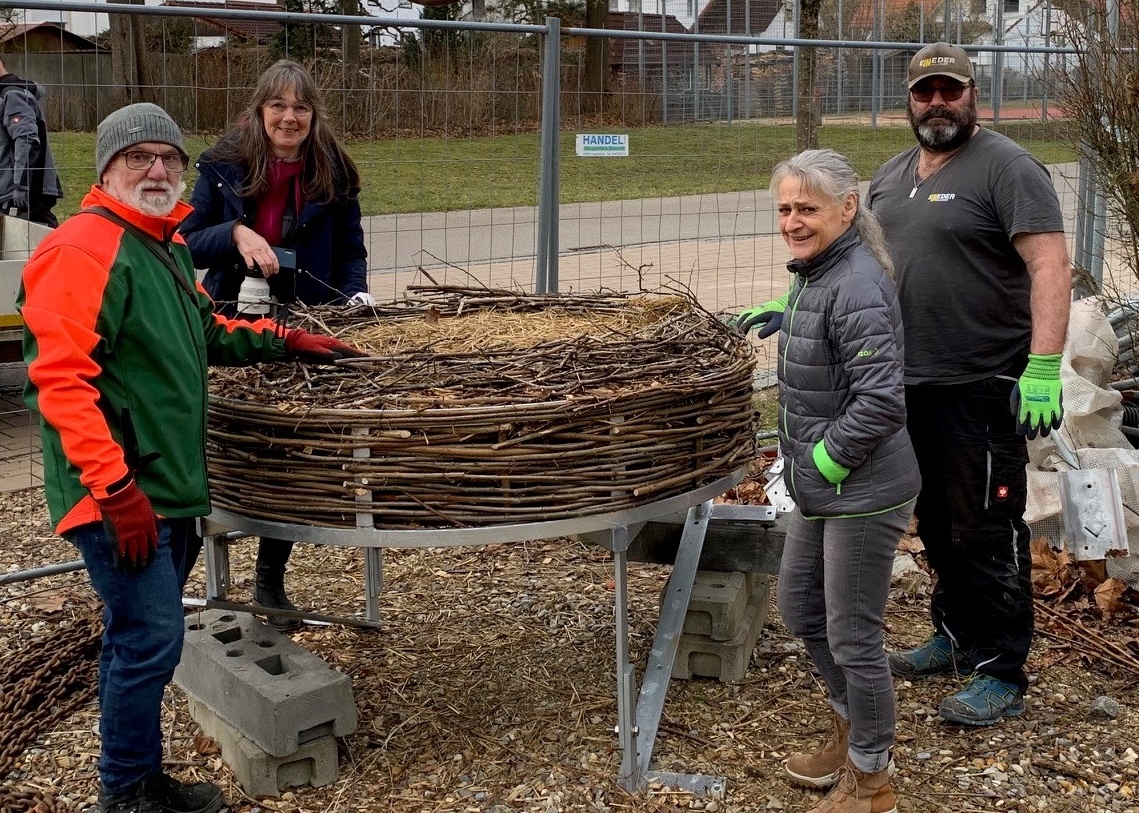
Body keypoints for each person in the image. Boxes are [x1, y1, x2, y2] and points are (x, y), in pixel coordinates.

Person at [18, 102, 365, 813]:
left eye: (168, 158)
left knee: (139, 639)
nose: (157, 170)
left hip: (162, 483)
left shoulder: (161, 242)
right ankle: (125, 792)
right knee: (149, 639)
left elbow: (202, 328)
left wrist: (283, 340)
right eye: (138, 157)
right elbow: (59, 380)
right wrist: (113, 490)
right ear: (107, 169)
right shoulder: (81, 248)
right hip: (120, 490)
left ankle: (136, 779)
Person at [867, 42, 1071, 726]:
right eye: (924, 92)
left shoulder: (1007, 167)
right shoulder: (892, 176)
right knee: (933, 523)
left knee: (985, 526)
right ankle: (953, 638)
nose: (936, 103)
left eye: (949, 91)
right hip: (907, 382)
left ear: (971, 95)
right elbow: (860, 263)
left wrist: (1042, 366)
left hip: (982, 382)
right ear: (908, 98)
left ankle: (1001, 668)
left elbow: (1048, 264)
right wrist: (800, 301)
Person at [735, 149, 920, 813]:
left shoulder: (856, 281)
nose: (791, 220)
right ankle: (850, 733)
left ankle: (871, 779)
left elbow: (879, 400)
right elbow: (840, 355)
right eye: (783, 208)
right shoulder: (818, 274)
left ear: (846, 208)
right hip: (826, 484)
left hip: (861, 488)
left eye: (806, 208)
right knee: (799, 607)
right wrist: (797, 317)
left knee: (852, 634)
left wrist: (819, 464)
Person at [180, 59, 372, 631]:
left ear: (314, 116)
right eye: (278, 107)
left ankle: (269, 577)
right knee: (229, 437)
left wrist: (355, 297)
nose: (290, 118)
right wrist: (235, 233)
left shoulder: (334, 170)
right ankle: (197, 570)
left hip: (307, 318)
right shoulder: (221, 165)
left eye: (301, 108)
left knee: (290, 444)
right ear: (259, 110)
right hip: (236, 319)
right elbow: (186, 241)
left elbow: (352, 251)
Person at [0, 56, 62, 226]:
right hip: (9, 190)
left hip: (18, 194)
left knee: (27, 242)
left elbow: (26, 140)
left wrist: (21, 185)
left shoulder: (13, 95)